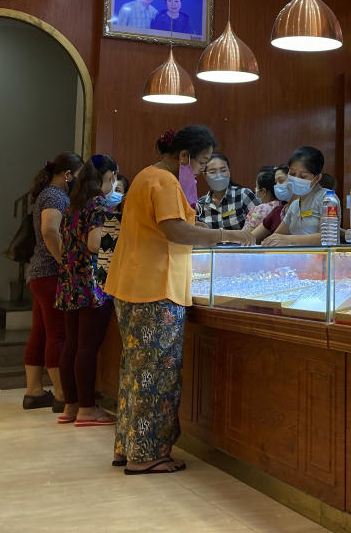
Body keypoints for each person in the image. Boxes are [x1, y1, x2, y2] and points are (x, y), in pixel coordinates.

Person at [105, 125, 253, 475]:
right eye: (201, 162)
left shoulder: (145, 176)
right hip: (155, 290)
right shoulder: (166, 182)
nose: (202, 171)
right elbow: (176, 230)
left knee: (136, 374)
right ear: (183, 156)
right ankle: (145, 455)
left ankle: (129, 447)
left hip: (134, 285)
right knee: (155, 378)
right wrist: (226, 235)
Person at [55, 154, 120, 427]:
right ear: (111, 176)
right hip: (93, 283)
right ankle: (87, 408)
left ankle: (70, 405)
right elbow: (95, 244)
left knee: (71, 344)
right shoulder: (100, 204)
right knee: (87, 347)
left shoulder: (74, 205)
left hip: (70, 281)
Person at [22, 152, 83, 411]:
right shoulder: (56, 196)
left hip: (38, 273)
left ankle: (34, 391)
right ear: (67, 175)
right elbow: (49, 230)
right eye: (78, 177)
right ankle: (61, 394)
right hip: (50, 273)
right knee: (57, 332)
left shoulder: (47, 193)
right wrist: (64, 262)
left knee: (41, 332)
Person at [261, 147, 339, 246]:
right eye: (292, 174)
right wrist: (269, 242)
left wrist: (289, 240)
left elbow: (327, 238)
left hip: (322, 259)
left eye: (303, 176)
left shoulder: (327, 198)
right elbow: (277, 236)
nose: (296, 179)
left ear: (317, 178)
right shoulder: (294, 206)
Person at [196, 153, 260, 230]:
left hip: (243, 242)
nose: (219, 175)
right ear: (204, 176)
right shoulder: (200, 204)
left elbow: (260, 224)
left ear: (229, 172)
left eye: (223, 170)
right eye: (213, 172)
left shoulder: (244, 195)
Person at [95, 173, 129, 286]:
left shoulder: (124, 221)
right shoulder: (95, 215)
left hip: (113, 279)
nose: (113, 192)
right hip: (92, 277)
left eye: (118, 190)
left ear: (124, 196)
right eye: (111, 188)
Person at [250, 164, 293, 243]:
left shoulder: (300, 207)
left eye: (281, 181)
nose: (277, 186)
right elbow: (251, 238)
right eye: (275, 183)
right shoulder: (277, 211)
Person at [243, 166, 279, 232]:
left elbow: (248, 234)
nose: (255, 189)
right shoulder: (282, 206)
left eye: (257, 186)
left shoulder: (261, 209)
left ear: (263, 191)